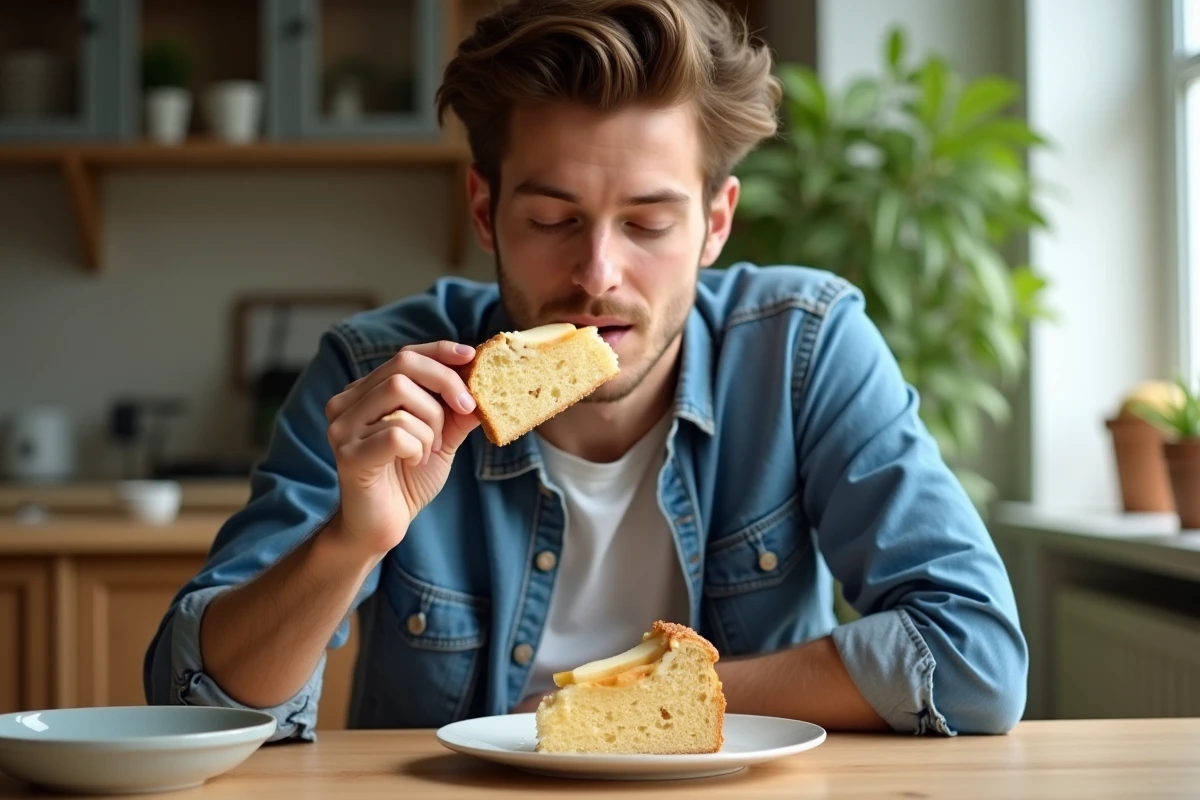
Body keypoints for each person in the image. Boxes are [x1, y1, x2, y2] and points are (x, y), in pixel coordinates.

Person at [144, 0, 1027, 741]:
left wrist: (605, 710)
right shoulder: (379, 374)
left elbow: (976, 658)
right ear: (487, 212)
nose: (598, 273)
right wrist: (352, 539)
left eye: (647, 223)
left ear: (716, 225)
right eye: (554, 218)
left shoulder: (803, 349)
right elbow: (195, 699)